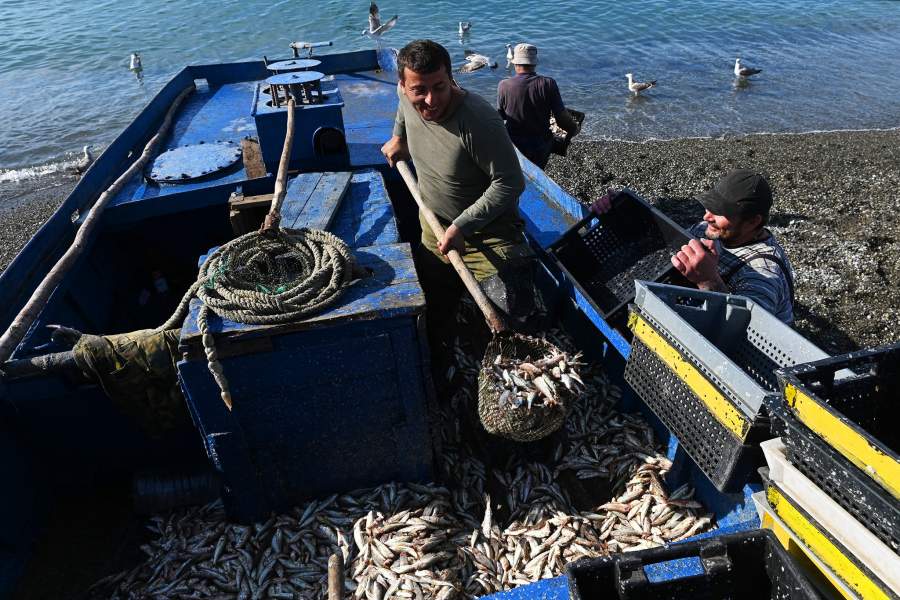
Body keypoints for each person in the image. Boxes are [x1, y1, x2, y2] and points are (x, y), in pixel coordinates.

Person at [380, 39, 541, 341]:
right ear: (404, 84)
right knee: (435, 313)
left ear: (451, 78)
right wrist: (398, 137)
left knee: (518, 323)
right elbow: (404, 106)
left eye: (439, 87)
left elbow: (510, 182)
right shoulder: (404, 93)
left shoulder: (478, 120)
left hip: (489, 236)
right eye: (419, 90)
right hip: (434, 228)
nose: (430, 100)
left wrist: (462, 227)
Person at [592, 169, 795, 324]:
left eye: (720, 212)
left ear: (752, 222)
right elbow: (662, 246)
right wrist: (620, 215)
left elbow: (748, 336)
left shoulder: (763, 273)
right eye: (711, 206)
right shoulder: (707, 229)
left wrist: (708, 280)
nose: (707, 216)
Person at [497, 43, 580, 169]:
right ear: (534, 63)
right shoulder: (548, 84)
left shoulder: (503, 85)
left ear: (514, 63)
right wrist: (574, 130)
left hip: (513, 144)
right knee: (537, 171)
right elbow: (562, 119)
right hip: (539, 146)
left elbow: (501, 115)